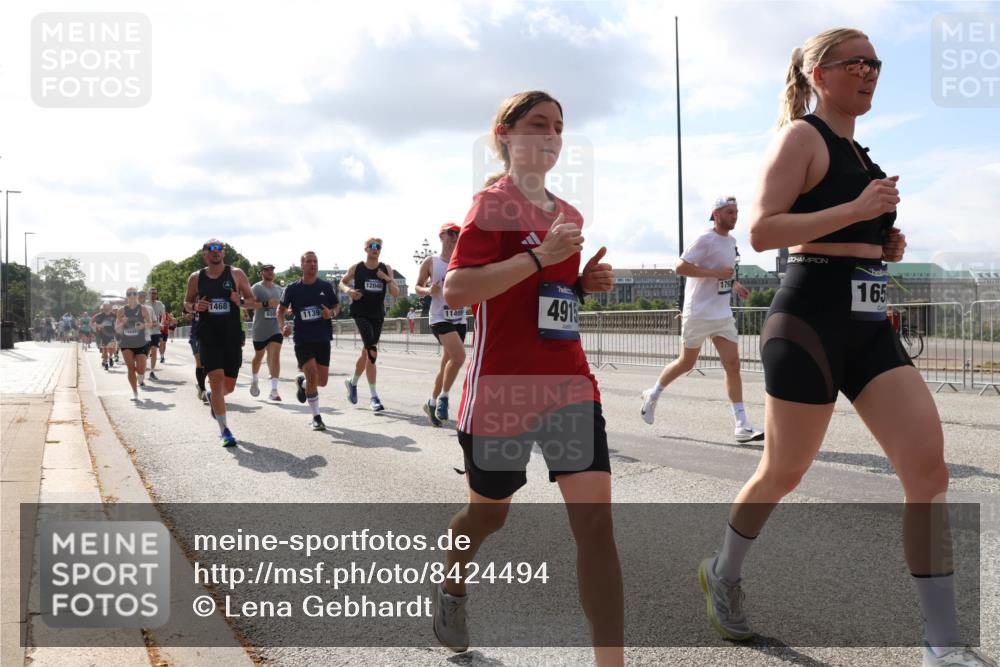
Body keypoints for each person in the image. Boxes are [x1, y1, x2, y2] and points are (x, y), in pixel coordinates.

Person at [695, 29, 996, 667]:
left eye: (876, 63)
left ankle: (942, 643)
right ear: (816, 73)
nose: (870, 72)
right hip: (808, 317)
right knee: (784, 471)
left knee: (928, 472)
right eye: (855, 62)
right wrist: (856, 210)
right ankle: (723, 571)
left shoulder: (859, 150)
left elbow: (844, 226)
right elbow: (762, 230)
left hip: (867, 322)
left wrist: (882, 242)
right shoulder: (800, 137)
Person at [430, 90, 623, 667]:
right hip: (499, 390)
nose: (551, 135)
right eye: (538, 123)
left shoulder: (570, 216)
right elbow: (458, 290)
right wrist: (540, 259)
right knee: (489, 514)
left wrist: (583, 285)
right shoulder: (489, 206)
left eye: (559, 127)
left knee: (595, 527)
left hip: (568, 385)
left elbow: (546, 298)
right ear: (506, 134)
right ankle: (454, 582)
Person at [639, 195, 764, 443]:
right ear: (716, 215)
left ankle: (741, 424)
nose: (735, 216)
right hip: (698, 312)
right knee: (686, 363)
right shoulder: (704, 238)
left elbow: (722, 273)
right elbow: (680, 267)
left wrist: (734, 284)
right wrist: (716, 273)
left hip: (722, 314)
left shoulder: (732, 242)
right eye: (729, 212)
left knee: (733, 365)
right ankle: (652, 395)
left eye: (736, 212)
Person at [183, 239, 256, 447]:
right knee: (216, 378)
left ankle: (214, 398)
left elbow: (251, 301)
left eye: (219, 249)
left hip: (231, 337)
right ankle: (225, 431)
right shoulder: (196, 278)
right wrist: (196, 305)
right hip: (208, 336)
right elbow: (186, 304)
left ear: (223, 253)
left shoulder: (237, 274)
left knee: (228, 387)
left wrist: (239, 301)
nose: (216, 252)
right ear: (204, 254)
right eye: (211, 249)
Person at [277, 251, 339, 431]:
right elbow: (280, 311)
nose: (313, 264)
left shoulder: (325, 286)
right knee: (312, 374)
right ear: (302, 265)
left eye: (315, 261)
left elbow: (336, 307)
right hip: (303, 339)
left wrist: (331, 314)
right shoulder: (292, 289)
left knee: (322, 381)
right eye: (309, 261)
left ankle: (302, 384)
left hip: (322, 337)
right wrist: (282, 327)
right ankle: (316, 417)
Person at [415, 222, 467, 426]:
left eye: (458, 234)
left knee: (447, 362)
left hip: (460, 318)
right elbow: (418, 286)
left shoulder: (463, 262)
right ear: (441, 236)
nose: (455, 237)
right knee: (459, 356)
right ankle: (444, 398)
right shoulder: (431, 261)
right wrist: (429, 290)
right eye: (451, 233)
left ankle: (431, 401)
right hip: (439, 318)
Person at [340, 238, 399, 411]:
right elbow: (342, 282)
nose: (375, 249)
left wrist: (386, 278)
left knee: (367, 353)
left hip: (377, 315)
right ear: (366, 249)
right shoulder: (357, 267)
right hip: (361, 312)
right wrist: (349, 291)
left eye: (378, 246)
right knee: (372, 352)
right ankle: (374, 397)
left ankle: (352, 383)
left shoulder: (386, 268)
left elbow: (395, 293)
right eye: (372, 246)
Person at [250, 263, 285, 401]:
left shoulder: (278, 288)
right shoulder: (256, 288)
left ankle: (274, 390)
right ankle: (254, 379)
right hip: (260, 328)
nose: (270, 272)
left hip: (275, 328)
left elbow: (283, 307)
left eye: (272, 270)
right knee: (259, 355)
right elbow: (249, 304)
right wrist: (266, 304)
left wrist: (287, 310)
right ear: (261, 273)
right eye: (267, 270)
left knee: (275, 355)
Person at [115, 289, 154, 401]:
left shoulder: (143, 309)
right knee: (130, 368)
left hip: (140, 342)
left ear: (137, 295)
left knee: (141, 369)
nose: (132, 296)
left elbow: (151, 324)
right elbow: (117, 328)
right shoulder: (121, 310)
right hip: (126, 342)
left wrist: (143, 325)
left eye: (134, 293)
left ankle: (140, 376)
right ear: (126, 296)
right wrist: (123, 322)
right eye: (129, 294)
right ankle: (135, 392)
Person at [146, 288, 167, 380]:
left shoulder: (160, 304)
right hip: (145, 331)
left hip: (156, 331)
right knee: (145, 353)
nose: (153, 295)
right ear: (148, 294)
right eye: (151, 293)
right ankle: (140, 370)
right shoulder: (144, 304)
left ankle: (152, 372)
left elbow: (163, 315)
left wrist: (162, 323)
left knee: (154, 350)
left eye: (155, 293)